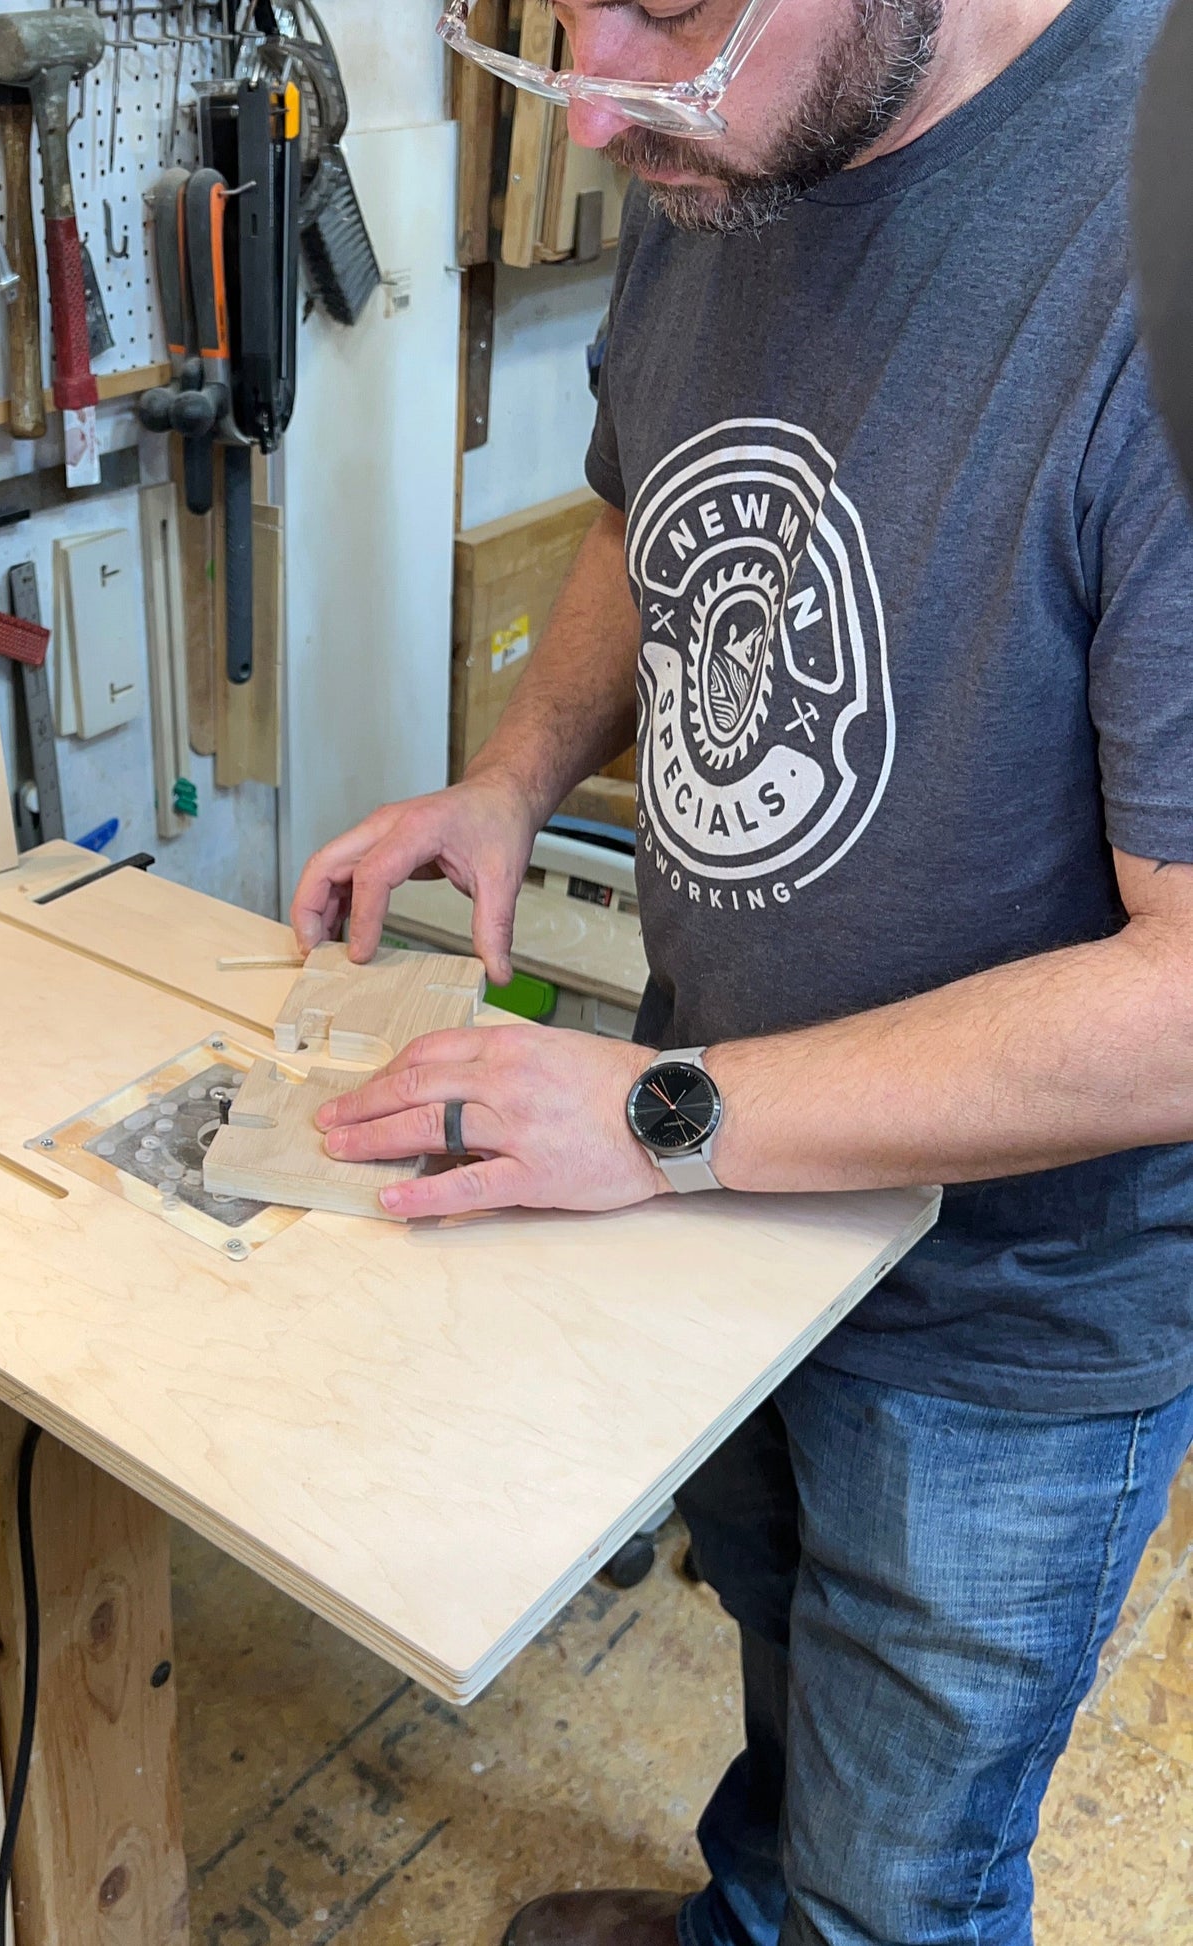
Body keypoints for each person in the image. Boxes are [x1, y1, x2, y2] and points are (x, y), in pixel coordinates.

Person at [290, 0, 1193, 1938]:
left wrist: (655, 1113)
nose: (599, 104)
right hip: (720, 1208)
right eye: (558, 15)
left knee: (906, 1871)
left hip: (1006, 1322)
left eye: (673, 12)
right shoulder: (721, 119)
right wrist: (514, 776)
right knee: (789, 1692)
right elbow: (653, 487)